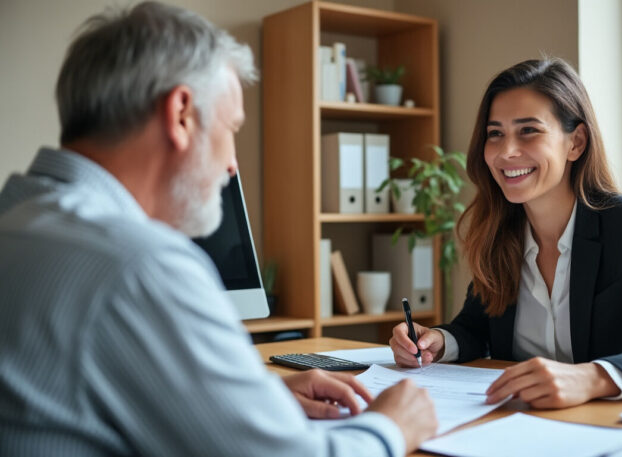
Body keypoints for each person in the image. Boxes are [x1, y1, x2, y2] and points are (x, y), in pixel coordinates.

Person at [0, 2, 436, 456]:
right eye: (231, 128)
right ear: (181, 114)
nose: (232, 164)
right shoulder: (139, 264)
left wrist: (241, 403)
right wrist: (393, 425)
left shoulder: (18, 219)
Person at [390, 58, 622, 409]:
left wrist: (592, 377)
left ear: (575, 142)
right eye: (495, 133)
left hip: (607, 427)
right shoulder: (499, 232)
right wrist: (438, 341)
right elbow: (476, 327)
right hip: (514, 426)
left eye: (528, 130)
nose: (506, 152)